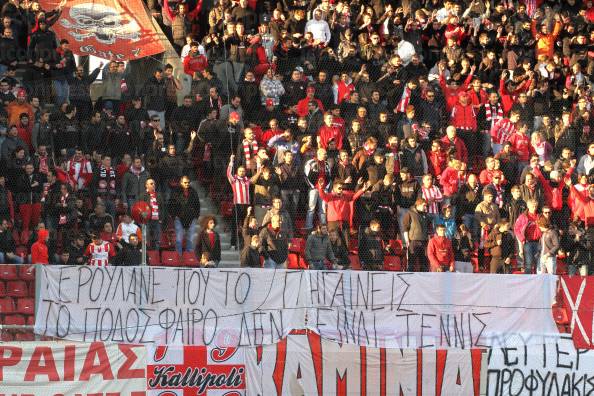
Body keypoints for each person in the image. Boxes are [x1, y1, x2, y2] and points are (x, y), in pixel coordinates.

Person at [169, 176, 201, 254]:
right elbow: (171, 204)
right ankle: (178, 256)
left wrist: (196, 216)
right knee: (179, 238)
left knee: (190, 238)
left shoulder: (193, 192)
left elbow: (197, 204)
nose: (187, 184)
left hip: (191, 218)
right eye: (185, 182)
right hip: (179, 218)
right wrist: (174, 215)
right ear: (181, 182)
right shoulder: (175, 192)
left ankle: (189, 256)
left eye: (188, 182)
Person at [402, 199, 430, 272]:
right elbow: (405, 228)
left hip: (424, 241)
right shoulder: (409, 213)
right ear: (418, 204)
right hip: (413, 241)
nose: (425, 207)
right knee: (411, 264)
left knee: (424, 264)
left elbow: (428, 229)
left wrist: (428, 239)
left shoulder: (425, 215)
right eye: (424, 206)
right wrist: (407, 240)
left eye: (426, 206)